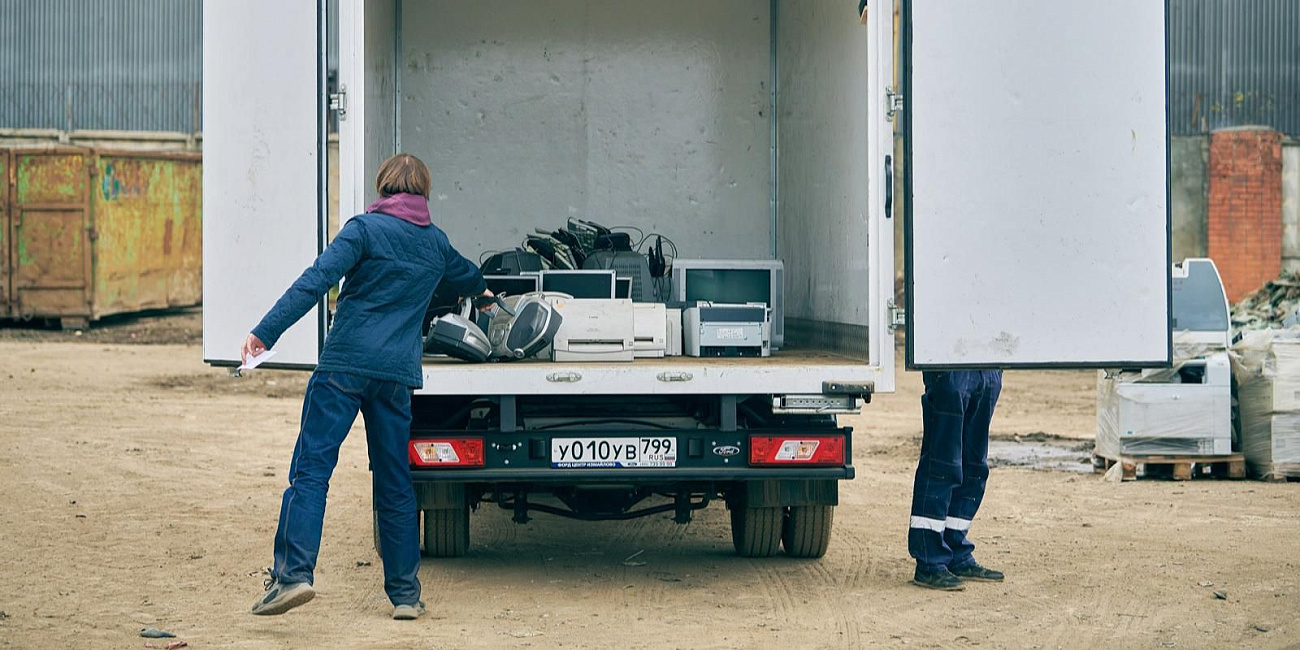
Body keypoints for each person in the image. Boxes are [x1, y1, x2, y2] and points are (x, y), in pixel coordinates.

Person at [243, 154, 490, 619]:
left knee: (312, 470)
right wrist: (485, 294)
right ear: (422, 193)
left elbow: (315, 281)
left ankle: (294, 575)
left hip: (343, 368)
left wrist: (264, 333)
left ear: (385, 189)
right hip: (395, 378)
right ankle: (405, 596)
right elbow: (470, 275)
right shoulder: (435, 243)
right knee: (395, 482)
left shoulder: (363, 229)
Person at [907, 370, 1005, 590]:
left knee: (974, 466)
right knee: (942, 464)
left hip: (987, 366)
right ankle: (929, 560)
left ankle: (955, 551)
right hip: (951, 364)